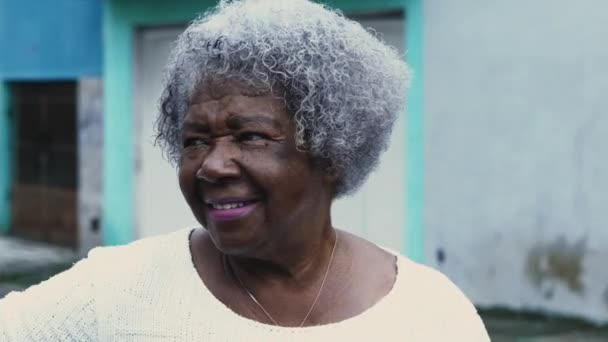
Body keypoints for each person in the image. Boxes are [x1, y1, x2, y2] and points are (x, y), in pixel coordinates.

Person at [0, 0, 490, 340]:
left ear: (333, 152)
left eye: (251, 136)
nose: (212, 166)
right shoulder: (115, 291)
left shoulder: (431, 315)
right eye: (195, 141)